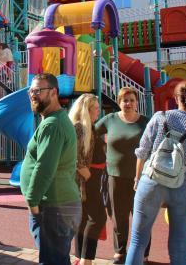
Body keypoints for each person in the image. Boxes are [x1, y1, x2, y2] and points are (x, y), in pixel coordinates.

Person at [126, 79, 186, 264]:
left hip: (151, 179)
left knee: (137, 240)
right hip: (183, 185)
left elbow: (142, 150)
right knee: (179, 247)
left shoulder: (160, 117)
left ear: (176, 98)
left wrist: (137, 178)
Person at [20, 73, 81, 265]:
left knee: (53, 261)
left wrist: (32, 201)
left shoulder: (52, 125)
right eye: (31, 91)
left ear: (54, 92)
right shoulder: (54, 120)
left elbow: (45, 167)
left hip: (53, 207)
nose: (33, 94)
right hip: (60, 205)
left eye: (38, 90)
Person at [94, 87, 150, 264]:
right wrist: (103, 151)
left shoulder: (145, 122)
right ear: (119, 102)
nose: (128, 103)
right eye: (125, 100)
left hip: (141, 178)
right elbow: (92, 134)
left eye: (132, 100)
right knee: (118, 216)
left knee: (142, 216)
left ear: (136, 102)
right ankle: (120, 251)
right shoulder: (110, 119)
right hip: (114, 176)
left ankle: (143, 252)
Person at [69, 94, 106, 265]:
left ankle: (80, 257)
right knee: (96, 218)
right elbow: (74, 157)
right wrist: (89, 175)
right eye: (96, 108)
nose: (99, 111)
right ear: (87, 110)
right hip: (88, 179)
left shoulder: (90, 126)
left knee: (85, 219)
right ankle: (86, 259)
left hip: (93, 177)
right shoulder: (79, 127)